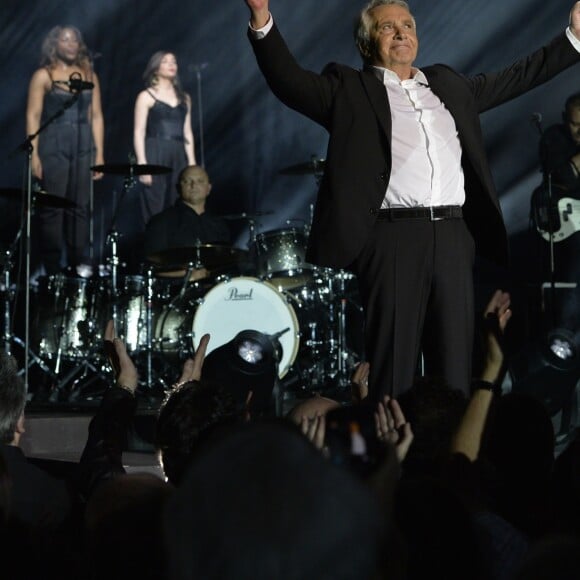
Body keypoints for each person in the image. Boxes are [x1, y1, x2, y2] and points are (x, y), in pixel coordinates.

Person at [244, 0, 580, 400]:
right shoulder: (349, 89)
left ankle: (451, 455)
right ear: (368, 43)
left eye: (407, 25)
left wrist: (573, 37)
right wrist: (261, 17)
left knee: (455, 364)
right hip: (393, 238)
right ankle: (394, 457)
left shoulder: (448, 85)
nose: (402, 32)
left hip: (454, 235)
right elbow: (289, 81)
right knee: (395, 366)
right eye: (388, 27)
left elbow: (520, 75)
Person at [26, 25, 104, 276]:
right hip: (54, 142)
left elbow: (97, 116)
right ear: (55, 44)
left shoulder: (89, 73)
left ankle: (77, 261)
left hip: (83, 144)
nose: (71, 45)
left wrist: (100, 154)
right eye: (65, 40)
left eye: (75, 41)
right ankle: (51, 266)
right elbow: (33, 115)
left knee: (80, 206)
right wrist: (34, 154)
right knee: (53, 206)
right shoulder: (44, 75)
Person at [134, 51, 196, 227]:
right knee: (154, 203)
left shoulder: (185, 98)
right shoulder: (146, 96)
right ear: (155, 68)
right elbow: (139, 131)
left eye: (174, 61)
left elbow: (187, 132)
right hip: (156, 149)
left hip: (178, 151)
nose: (171, 65)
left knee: (178, 200)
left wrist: (191, 163)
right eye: (166, 61)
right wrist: (142, 164)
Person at [537, 92, 580, 329]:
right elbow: (562, 177)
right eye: (575, 125)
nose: (579, 132)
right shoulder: (554, 138)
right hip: (562, 230)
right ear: (565, 119)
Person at [143, 165, 230, 281]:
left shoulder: (219, 224)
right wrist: (187, 274)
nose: (194, 186)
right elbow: (151, 267)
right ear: (179, 188)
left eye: (200, 181)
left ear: (208, 188)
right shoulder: (161, 222)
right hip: (178, 293)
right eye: (187, 181)